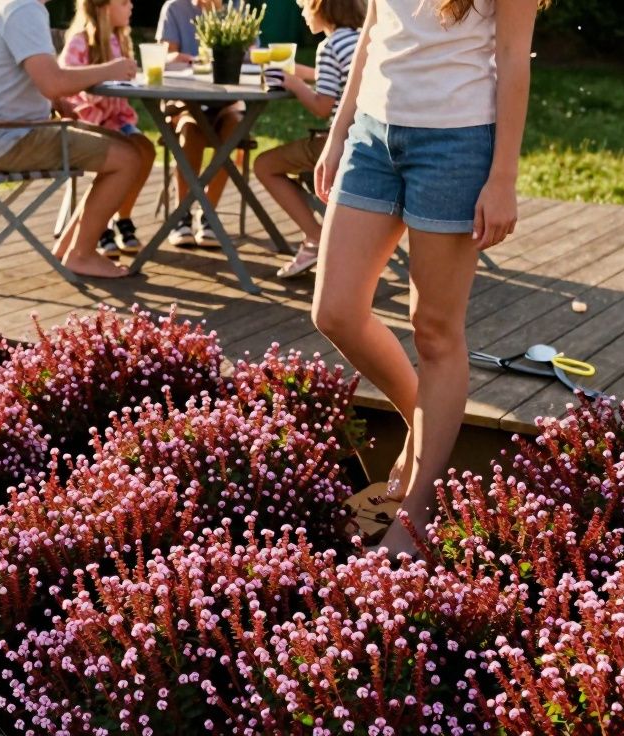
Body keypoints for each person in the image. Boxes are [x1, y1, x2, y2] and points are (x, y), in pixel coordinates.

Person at [311, 0, 542, 556]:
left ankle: (413, 517)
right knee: (334, 310)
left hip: (456, 143)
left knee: (435, 331)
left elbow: (513, 57)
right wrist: (339, 130)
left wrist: (503, 177)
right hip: (372, 133)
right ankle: (424, 423)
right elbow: (372, 27)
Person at [0, 0, 141, 279]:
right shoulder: (24, 9)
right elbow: (53, 81)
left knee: (131, 149)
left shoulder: (15, 5)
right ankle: (81, 254)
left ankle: (71, 247)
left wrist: (58, 102)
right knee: (128, 159)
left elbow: (42, 78)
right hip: (9, 139)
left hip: (4, 133)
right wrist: (110, 69)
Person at [253, 0, 363, 279]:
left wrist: (294, 84)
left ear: (321, 8)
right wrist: (297, 75)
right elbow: (336, 83)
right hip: (365, 141)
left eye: (304, 6)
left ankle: (315, 237)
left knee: (264, 165)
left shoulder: (329, 46)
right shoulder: (360, 38)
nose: (302, 14)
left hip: (340, 146)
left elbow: (322, 106)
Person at [59, 0, 158, 258]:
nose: (132, 6)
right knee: (127, 154)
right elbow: (67, 84)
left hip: (117, 119)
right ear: (103, 7)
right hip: (87, 120)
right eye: (124, 2)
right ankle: (98, 225)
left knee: (146, 150)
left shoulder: (119, 40)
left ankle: (122, 217)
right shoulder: (79, 42)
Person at [155, 0, 244, 248]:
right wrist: (186, 58)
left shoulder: (236, 10)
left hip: (226, 102)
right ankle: (181, 215)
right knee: (191, 129)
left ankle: (208, 214)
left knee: (235, 128)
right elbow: (165, 56)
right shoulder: (175, 8)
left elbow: (249, 57)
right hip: (184, 102)